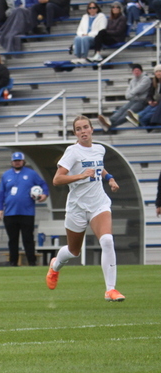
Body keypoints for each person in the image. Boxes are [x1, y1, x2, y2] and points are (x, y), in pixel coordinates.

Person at [46, 115, 124, 301]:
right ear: (75, 133)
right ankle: (55, 266)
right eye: (78, 129)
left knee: (107, 241)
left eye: (85, 127)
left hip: (99, 204)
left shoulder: (99, 149)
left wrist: (109, 178)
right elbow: (57, 179)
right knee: (74, 251)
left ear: (91, 129)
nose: (83, 131)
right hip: (77, 207)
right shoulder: (72, 152)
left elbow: (99, 167)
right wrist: (80, 176)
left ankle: (110, 290)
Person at [0, 152, 49, 266]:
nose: (17, 162)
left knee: (28, 238)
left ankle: (31, 262)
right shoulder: (6, 175)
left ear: (23, 161)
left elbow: (43, 184)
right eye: (15, 160)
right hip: (10, 213)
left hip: (27, 212)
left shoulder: (31, 174)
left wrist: (44, 195)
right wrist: (0, 209)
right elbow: (1, 193)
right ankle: (13, 262)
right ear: (12, 162)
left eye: (19, 160)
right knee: (12, 239)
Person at [98, 64, 151, 132]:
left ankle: (111, 125)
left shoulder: (146, 79)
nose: (136, 72)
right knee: (122, 109)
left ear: (141, 71)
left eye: (138, 70)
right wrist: (130, 94)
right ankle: (110, 121)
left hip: (142, 101)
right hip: (133, 100)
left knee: (127, 113)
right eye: (134, 70)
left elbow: (138, 89)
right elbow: (128, 92)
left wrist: (131, 94)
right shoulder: (132, 81)